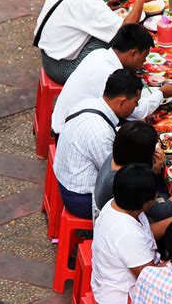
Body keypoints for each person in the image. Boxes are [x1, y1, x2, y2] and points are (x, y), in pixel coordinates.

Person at [35, 0, 155, 84]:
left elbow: (82, 11)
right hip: (62, 68)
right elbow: (126, 30)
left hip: (48, 55)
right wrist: (140, 0)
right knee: (117, 43)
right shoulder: (89, 2)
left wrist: (105, 6)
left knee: (107, 33)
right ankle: (121, 83)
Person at [51, 25, 172, 135]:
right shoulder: (109, 73)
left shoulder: (100, 53)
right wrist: (161, 93)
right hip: (69, 132)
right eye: (144, 57)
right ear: (133, 54)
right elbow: (135, 111)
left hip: (69, 120)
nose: (144, 62)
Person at [54, 69, 142, 219]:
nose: (136, 107)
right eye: (135, 102)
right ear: (122, 101)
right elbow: (116, 176)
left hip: (66, 178)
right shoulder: (100, 133)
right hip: (80, 198)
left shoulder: (87, 102)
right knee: (139, 199)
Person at [94, 120, 172, 233]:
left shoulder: (119, 155)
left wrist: (153, 171)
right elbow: (163, 212)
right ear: (142, 156)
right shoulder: (125, 180)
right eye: (152, 150)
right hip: (128, 228)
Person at [91, 164, 160, 304]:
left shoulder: (116, 204)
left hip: (108, 282)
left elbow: (146, 236)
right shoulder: (127, 233)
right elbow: (150, 279)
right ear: (147, 203)